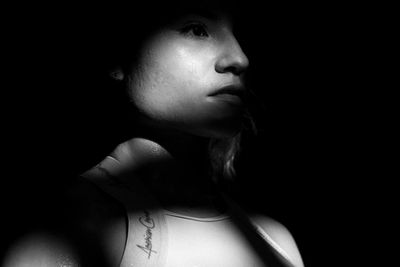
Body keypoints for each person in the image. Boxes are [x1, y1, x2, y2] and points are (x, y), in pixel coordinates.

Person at [2, 1, 304, 266]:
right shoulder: (71, 223)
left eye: (241, 34)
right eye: (196, 29)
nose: (239, 58)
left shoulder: (275, 238)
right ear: (118, 52)